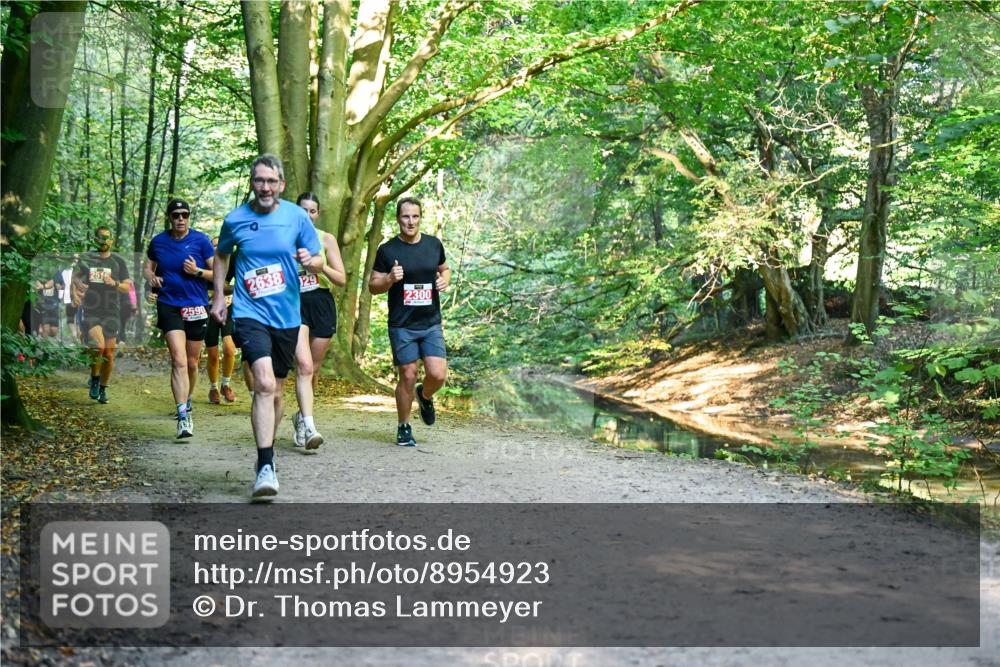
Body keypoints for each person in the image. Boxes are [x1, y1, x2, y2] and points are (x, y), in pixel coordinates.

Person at [211, 154, 322, 499]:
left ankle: (268, 453)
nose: (265, 187)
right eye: (259, 180)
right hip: (249, 312)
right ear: (251, 183)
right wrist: (218, 297)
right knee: (262, 382)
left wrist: (309, 260)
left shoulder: (296, 217)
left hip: (287, 316)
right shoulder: (235, 220)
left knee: (276, 391)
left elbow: (319, 259)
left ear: (281, 185)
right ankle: (264, 464)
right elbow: (221, 255)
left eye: (271, 181)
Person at [368, 197, 451, 447]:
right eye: (405, 216)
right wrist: (390, 278)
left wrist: (445, 279)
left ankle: (424, 396)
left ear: (420, 217)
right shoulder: (387, 250)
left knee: (437, 375)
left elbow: (444, 269)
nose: (410, 222)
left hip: (430, 322)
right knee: (408, 374)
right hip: (402, 324)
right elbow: (373, 286)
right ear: (398, 219)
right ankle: (404, 426)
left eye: (415, 216)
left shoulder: (433, 245)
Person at [145, 199, 215, 438]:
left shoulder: (202, 241)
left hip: (196, 305)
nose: (181, 219)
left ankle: (188, 397)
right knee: (179, 360)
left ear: (189, 217)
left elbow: (217, 274)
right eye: (176, 215)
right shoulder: (159, 242)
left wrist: (197, 271)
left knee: (193, 363)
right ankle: (183, 415)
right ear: (169, 217)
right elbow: (148, 266)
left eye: (185, 214)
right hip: (169, 304)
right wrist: (151, 278)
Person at [290, 192, 346, 450]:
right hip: (294, 301)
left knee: (314, 366)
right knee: (304, 365)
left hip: (321, 301)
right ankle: (308, 423)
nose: (308, 215)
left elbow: (341, 279)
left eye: (312, 211)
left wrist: (320, 266)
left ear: (318, 213)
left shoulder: (326, 239)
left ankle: (302, 415)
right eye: (303, 210)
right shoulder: (285, 236)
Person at [74, 226, 132, 404]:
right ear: (95, 239)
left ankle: (103, 388)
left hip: (112, 310)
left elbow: (126, 286)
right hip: (91, 308)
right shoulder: (87, 258)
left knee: (109, 353)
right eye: (100, 238)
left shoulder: (118, 261)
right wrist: (78, 286)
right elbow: (75, 277)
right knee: (98, 347)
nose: (104, 241)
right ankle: (94, 378)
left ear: (112, 240)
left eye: (107, 238)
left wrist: (114, 282)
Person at [205, 236, 238, 405]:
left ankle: (226, 384)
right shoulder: (204, 263)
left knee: (229, 349)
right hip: (208, 311)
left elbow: (237, 284)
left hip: (228, 310)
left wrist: (228, 292)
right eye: (214, 245)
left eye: (220, 245)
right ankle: (213, 388)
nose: (218, 248)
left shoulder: (231, 261)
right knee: (213, 354)